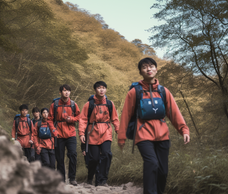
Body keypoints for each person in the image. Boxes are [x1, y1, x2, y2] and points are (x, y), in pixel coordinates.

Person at [117, 57, 190, 194]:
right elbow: (126, 115)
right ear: (140, 72)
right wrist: (121, 137)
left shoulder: (163, 91)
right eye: (144, 67)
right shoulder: (135, 92)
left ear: (156, 69)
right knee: (152, 163)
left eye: (151, 66)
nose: (148, 69)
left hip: (163, 135)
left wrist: (184, 130)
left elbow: (174, 113)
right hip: (143, 134)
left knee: (163, 171)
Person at [79, 81, 119, 186]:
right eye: (99, 88)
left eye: (104, 88)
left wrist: (119, 130)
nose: (101, 90)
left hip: (106, 132)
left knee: (106, 154)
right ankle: (90, 176)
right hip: (92, 133)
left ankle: (102, 180)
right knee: (94, 159)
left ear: (106, 90)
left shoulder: (110, 103)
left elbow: (115, 119)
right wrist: (81, 134)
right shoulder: (89, 104)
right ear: (95, 90)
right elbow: (83, 120)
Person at [48, 84, 81, 186]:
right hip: (58, 134)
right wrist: (53, 130)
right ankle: (61, 179)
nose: (67, 92)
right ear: (60, 92)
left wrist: (72, 119)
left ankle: (72, 178)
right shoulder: (55, 104)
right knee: (60, 158)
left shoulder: (73, 104)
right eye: (64, 90)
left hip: (71, 133)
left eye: (68, 91)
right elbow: (49, 119)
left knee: (73, 155)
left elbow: (79, 116)